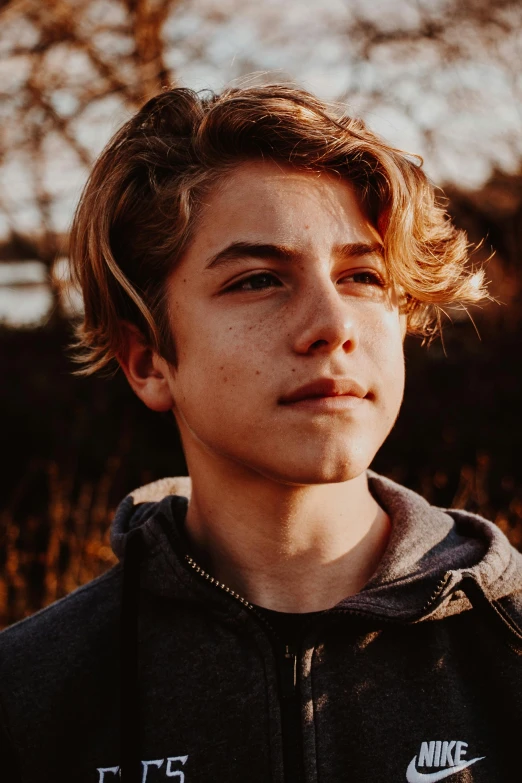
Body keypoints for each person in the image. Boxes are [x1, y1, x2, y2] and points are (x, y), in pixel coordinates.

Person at [1, 83, 521, 783]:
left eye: (363, 275)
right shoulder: (30, 697)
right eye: (257, 280)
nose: (333, 325)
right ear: (148, 360)